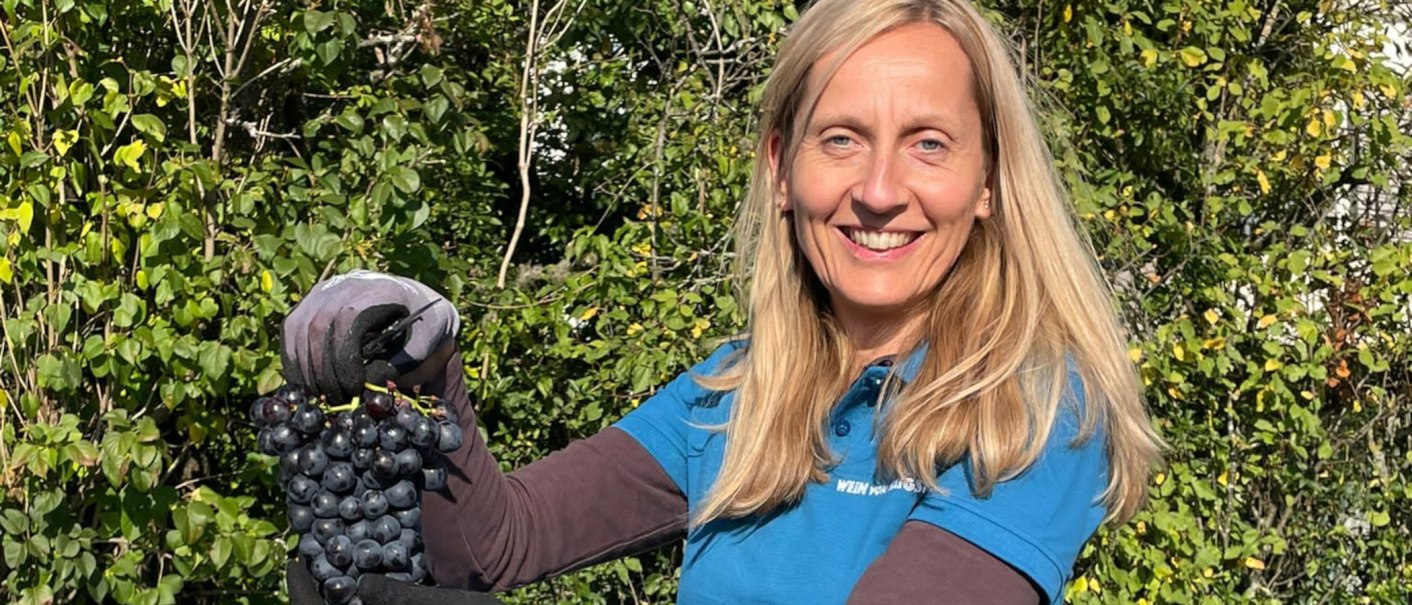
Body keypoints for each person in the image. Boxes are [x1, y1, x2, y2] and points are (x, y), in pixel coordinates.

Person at [282, 0, 1163, 602]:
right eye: (842, 138)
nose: (882, 190)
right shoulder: (737, 395)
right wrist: (429, 378)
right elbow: (501, 543)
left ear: (988, 181)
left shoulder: (1036, 409)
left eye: (929, 144)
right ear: (782, 169)